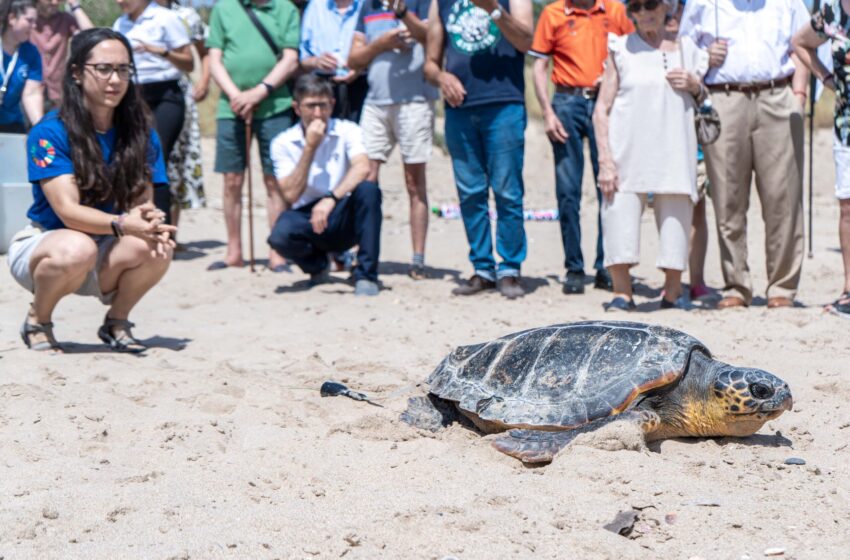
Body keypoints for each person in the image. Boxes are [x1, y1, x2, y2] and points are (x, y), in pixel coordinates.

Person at [6, 28, 175, 353]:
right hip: (46, 244)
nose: (115, 80)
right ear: (77, 73)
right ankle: (38, 319)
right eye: (103, 69)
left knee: (157, 248)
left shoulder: (141, 134)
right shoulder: (50, 131)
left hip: (105, 248)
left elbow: (143, 204)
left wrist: (151, 222)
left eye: (123, 70)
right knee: (77, 247)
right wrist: (125, 224)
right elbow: (67, 211)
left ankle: (117, 322)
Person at [679, 0, 810, 310]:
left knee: (783, 198)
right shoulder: (701, 3)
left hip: (778, 96)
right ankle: (736, 285)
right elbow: (683, 50)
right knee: (727, 198)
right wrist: (704, 57)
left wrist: (799, 96)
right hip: (724, 97)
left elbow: (803, 45)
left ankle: (782, 287)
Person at [593, 0, 708, 311]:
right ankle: (622, 292)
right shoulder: (621, 48)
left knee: (677, 216)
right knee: (619, 214)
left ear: (667, 6)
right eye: (636, 6)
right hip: (626, 150)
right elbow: (601, 110)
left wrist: (695, 85)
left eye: (651, 3)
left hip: (673, 148)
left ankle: (672, 293)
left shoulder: (690, 50)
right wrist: (605, 159)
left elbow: (706, 100)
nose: (644, 11)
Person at [423, 0, 533, 299]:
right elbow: (430, 63)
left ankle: (510, 269)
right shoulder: (441, 3)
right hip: (460, 110)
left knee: (507, 190)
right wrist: (442, 77)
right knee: (470, 192)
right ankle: (482, 269)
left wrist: (494, 10)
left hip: (504, 105)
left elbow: (526, 41)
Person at [530, 0, 632, 295]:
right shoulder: (553, 14)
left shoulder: (615, 11)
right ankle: (574, 267)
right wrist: (548, 112)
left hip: (606, 101)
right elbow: (539, 66)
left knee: (609, 187)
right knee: (568, 190)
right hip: (566, 102)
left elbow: (631, 52)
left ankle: (607, 266)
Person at [267, 74, 382, 296]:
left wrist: (331, 198)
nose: (318, 113)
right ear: (297, 108)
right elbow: (289, 194)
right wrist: (310, 147)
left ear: (332, 104)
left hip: (341, 209)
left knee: (369, 190)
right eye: (311, 106)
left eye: (323, 105)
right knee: (279, 235)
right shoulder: (282, 142)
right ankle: (317, 267)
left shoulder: (348, 130)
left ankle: (366, 275)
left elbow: (362, 168)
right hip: (307, 215)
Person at [348, 0, 438, 280]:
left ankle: (418, 260)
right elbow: (353, 59)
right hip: (375, 102)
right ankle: (362, 255)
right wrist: (382, 44)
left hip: (415, 101)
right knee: (365, 177)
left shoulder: (424, 3)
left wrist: (404, 15)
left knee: (414, 182)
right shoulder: (368, 7)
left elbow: (432, 39)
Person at [207, 0, 300, 271]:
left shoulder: (286, 9)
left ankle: (277, 252)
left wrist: (260, 91)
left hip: (275, 104)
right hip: (230, 106)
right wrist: (237, 96)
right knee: (231, 180)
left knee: (275, 180)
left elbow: (291, 57)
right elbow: (214, 58)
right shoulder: (223, 8)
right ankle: (233, 252)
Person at [793, 0, 850, 319]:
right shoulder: (832, 13)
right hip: (846, 122)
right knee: (847, 205)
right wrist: (827, 80)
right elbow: (800, 44)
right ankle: (849, 289)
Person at [114, 0, 193, 226]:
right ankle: (133, 222)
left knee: (155, 157)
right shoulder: (120, 23)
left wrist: (160, 51)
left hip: (165, 95)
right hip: (133, 94)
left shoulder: (166, 19)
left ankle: (162, 228)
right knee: (130, 157)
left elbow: (189, 63)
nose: (120, 2)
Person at [154, 0, 209, 222]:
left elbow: (203, 51)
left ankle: (171, 229)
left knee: (176, 158)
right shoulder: (136, 14)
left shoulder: (186, 15)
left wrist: (204, 80)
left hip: (176, 94)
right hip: (142, 95)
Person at [299, 0, 367, 122]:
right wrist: (316, 61)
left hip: (361, 85)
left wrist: (360, 67)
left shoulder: (367, 4)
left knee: (359, 137)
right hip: (323, 86)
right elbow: (303, 59)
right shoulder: (315, 6)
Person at [30, 0, 92, 113]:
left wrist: (75, 5)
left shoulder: (66, 19)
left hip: (58, 93)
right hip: (30, 93)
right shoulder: (29, 19)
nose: (54, 3)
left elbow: (91, 36)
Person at [0, 0, 43, 132]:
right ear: (12, 18)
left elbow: (31, 93)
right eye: (29, 20)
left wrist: (40, 128)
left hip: (12, 124)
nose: (34, 26)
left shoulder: (31, 53)